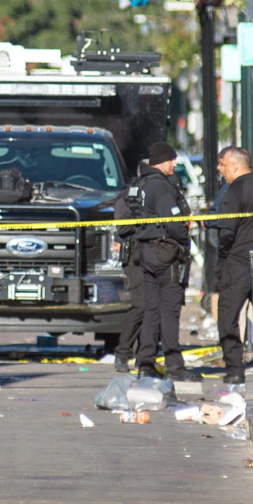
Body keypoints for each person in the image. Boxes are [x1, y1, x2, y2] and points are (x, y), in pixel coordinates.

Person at [129, 142, 199, 382]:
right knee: (169, 311)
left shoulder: (143, 184)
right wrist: (184, 237)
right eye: (171, 160)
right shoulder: (162, 187)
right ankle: (174, 366)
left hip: (146, 252)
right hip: (166, 254)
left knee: (151, 311)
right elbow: (174, 224)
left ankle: (146, 363)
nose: (174, 164)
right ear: (161, 161)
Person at [215, 146, 253, 384]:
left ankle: (235, 368)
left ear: (235, 166)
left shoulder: (234, 191)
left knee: (228, 314)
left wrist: (223, 258)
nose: (219, 169)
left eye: (222, 164)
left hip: (238, 260)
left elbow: (227, 231)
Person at [112, 160, 148, 374]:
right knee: (141, 305)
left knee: (154, 308)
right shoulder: (130, 196)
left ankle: (146, 355)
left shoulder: (164, 190)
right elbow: (123, 226)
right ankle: (123, 352)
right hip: (136, 256)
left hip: (158, 256)